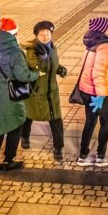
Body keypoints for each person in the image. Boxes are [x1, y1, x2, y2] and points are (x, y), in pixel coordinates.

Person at [0, 18, 40, 173]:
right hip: (6, 95)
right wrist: (36, 73)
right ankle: (8, 160)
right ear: (14, 33)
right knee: (16, 124)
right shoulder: (14, 52)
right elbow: (23, 76)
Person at [77, 17, 108, 167]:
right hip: (98, 92)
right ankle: (101, 156)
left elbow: (93, 67)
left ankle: (83, 156)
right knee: (105, 123)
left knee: (90, 122)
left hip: (87, 89)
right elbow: (98, 72)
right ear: (103, 29)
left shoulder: (92, 43)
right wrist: (101, 96)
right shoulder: (104, 47)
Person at [21, 21, 67, 160]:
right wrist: (43, 59)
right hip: (37, 90)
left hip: (51, 89)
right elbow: (36, 68)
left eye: (48, 33)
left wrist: (59, 69)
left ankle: (58, 147)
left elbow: (53, 64)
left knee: (56, 118)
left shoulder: (52, 46)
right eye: (42, 34)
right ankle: (24, 137)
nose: (45, 36)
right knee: (29, 115)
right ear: (37, 35)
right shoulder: (32, 49)